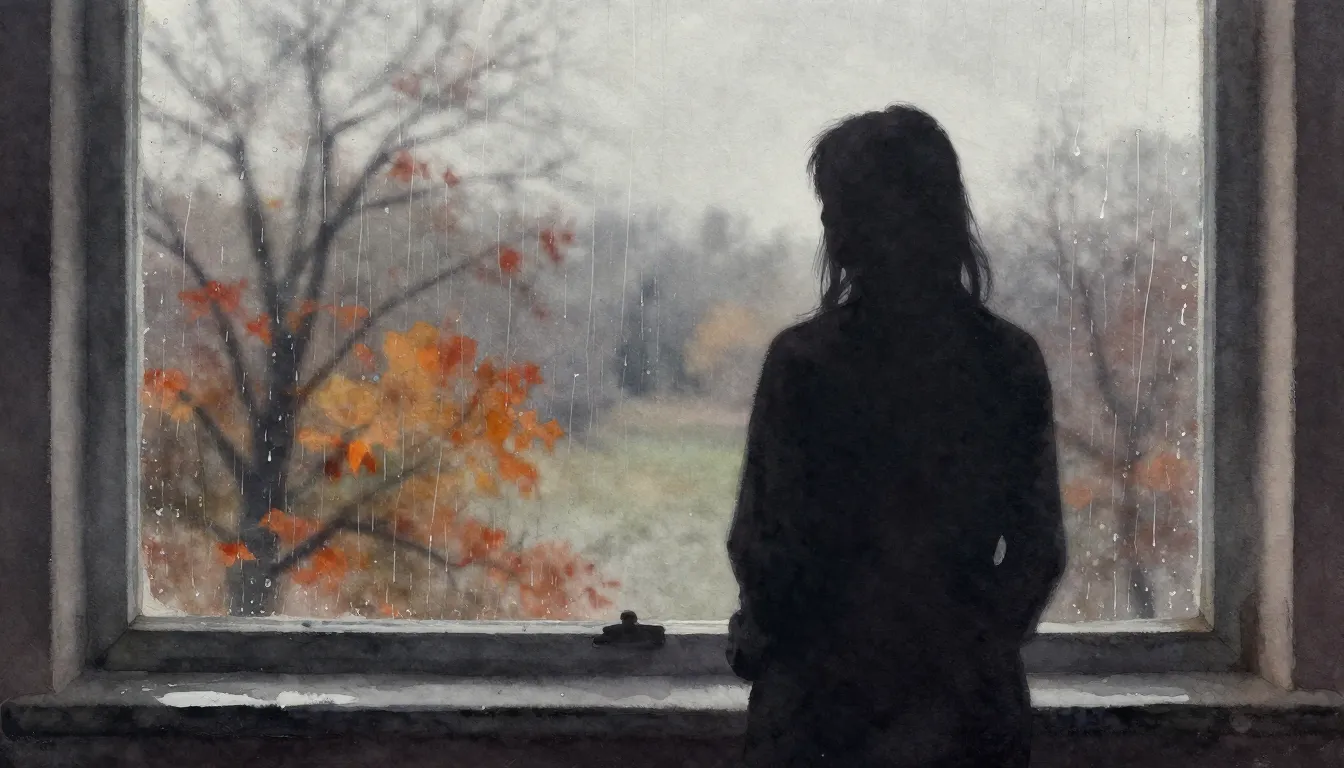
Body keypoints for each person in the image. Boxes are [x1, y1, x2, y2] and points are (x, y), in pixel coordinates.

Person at [726, 104, 1067, 768]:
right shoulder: (1007, 361)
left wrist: (774, 644)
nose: (829, 228)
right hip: (967, 715)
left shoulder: (806, 364)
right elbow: (1036, 551)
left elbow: (765, 549)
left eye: (838, 208)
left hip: (819, 716)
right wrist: (967, 653)